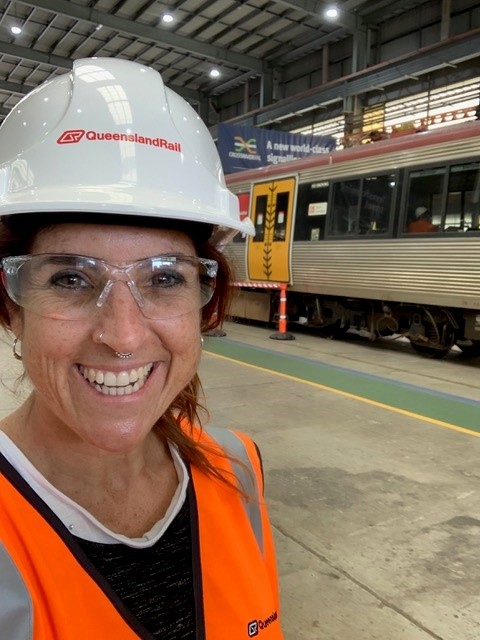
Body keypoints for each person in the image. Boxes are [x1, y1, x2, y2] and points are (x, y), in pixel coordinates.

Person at [0, 58, 283, 639]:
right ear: (10, 306)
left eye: (164, 278)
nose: (124, 336)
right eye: (70, 279)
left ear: (204, 302)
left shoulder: (238, 469)